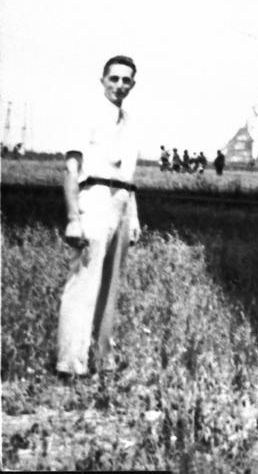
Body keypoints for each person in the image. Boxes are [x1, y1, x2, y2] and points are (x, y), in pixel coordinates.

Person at [57, 55, 143, 377]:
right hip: (92, 200)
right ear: (103, 80)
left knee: (110, 287)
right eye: (114, 78)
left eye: (126, 80)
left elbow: (129, 177)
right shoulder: (86, 115)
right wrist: (72, 216)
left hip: (121, 203)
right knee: (84, 283)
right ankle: (70, 364)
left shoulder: (130, 123)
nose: (119, 85)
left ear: (132, 84)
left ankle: (100, 359)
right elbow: (70, 168)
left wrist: (132, 217)